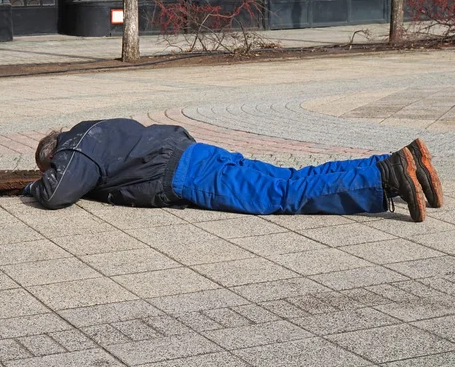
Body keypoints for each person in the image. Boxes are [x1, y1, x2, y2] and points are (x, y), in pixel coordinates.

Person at [22, 118, 443, 222]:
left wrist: (33, 185)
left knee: (286, 193)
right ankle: (412, 172)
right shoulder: (100, 130)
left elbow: (57, 193)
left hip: (188, 175)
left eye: (53, 165)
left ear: (55, 150)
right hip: (195, 155)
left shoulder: (77, 143)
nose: (56, 170)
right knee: (285, 180)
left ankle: (388, 173)